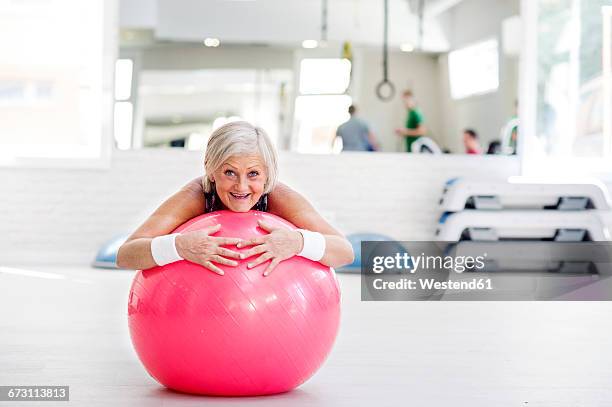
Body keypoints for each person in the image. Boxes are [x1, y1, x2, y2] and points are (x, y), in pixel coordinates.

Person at [117, 121, 354, 276]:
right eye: (229, 172)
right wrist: (179, 246)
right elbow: (126, 254)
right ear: (210, 168)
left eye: (253, 174)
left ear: (267, 174)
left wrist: (298, 242)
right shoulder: (197, 195)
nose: (241, 186)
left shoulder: (278, 197)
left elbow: (344, 251)